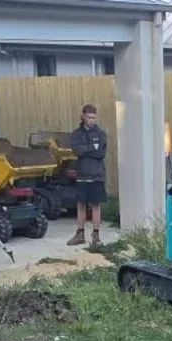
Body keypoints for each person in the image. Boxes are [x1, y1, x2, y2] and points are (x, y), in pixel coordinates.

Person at [67, 104, 108, 247]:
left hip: (97, 174)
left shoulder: (101, 134)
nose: (91, 120)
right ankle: (80, 234)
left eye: (94, 118)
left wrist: (86, 150)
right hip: (82, 174)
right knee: (81, 205)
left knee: (96, 206)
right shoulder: (76, 134)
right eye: (89, 117)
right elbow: (76, 150)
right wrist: (91, 149)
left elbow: (101, 154)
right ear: (83, 117)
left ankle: (96, 236)